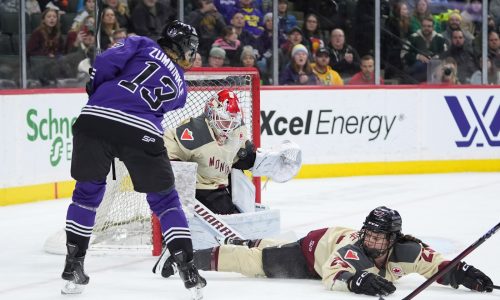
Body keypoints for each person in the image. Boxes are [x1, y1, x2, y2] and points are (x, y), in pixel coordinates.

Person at [60, 20, 206, 296]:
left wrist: (95, 87)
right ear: (185, 48)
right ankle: (188, 268)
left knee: (86, 195)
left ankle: (73, 265)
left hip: (95, 121)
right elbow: (158, 99)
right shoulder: (181, 89)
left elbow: (104, 62)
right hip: (142, 133)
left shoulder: (141, 43)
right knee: (165, 201)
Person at [157, 206, 495, 297]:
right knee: (254, 262)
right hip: (313, 252)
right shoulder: (354, 249)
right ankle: (184, 256)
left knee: (265, 247)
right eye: (370, 234)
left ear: (393, 239)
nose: (372, 241)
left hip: (327, 242)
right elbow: (332, 274)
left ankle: (255, 240)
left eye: (380, 237)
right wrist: (357, 282)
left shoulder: (406, 250)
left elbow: (434, 264)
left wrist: (461, 273)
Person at [163, 89, 257, 214]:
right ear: (211, 113)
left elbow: (239, 158)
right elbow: (170, 151)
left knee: (243, 208)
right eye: (224, 119)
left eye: (233, 122)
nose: (229, 126)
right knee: (228, 214)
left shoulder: (237, 131)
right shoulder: (195, 132)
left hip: (223, 184)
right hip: (200, 189)